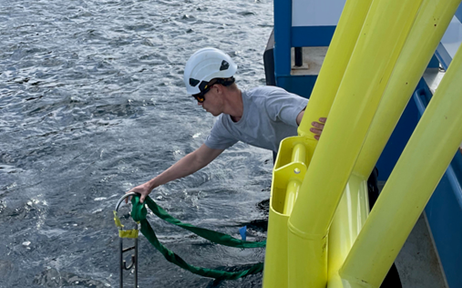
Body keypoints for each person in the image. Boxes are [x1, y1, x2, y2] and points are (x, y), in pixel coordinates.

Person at [128, 47, 325, 202]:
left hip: (326, 156)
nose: (198, 103)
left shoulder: (266, 100)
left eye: (199, 97)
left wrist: (311, 122)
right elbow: (198, 159)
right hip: (307, 167)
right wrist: (151, 184)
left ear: (215, 89)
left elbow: (305, 116)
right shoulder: (227, 125)